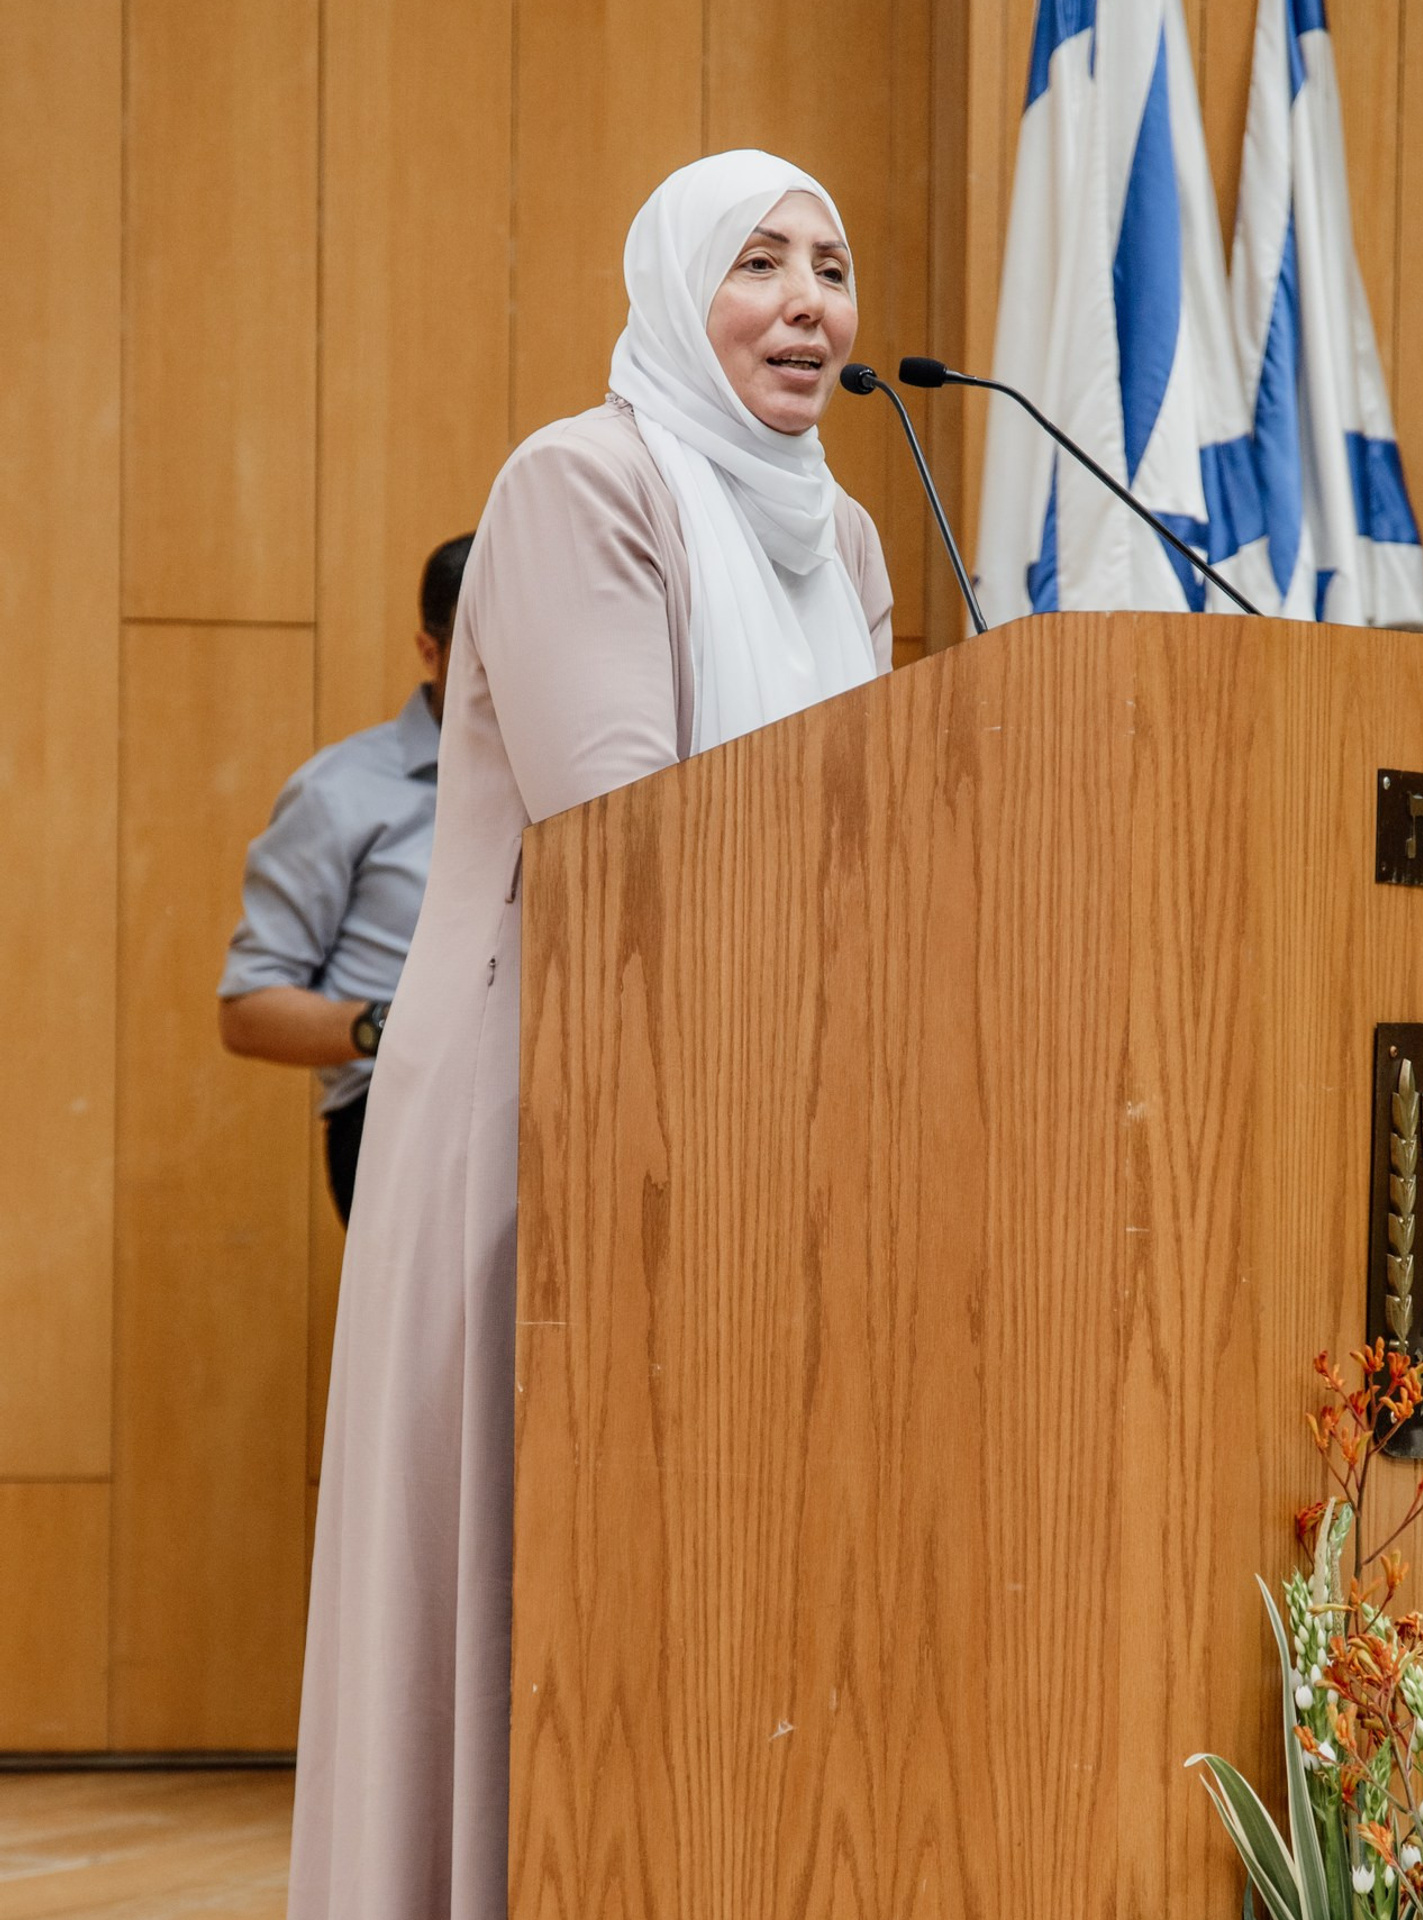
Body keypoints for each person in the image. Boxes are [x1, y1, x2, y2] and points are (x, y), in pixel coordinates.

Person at [287, 151, 891, 1919]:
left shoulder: (845, 529)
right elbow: (627, 835)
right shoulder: (582, 483)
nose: (805, 302)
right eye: (757, 262)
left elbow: (881, 829)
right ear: (673, 292)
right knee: (521, 1578)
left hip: (778, 1120)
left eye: (832, 268)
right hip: (548, 1119)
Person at [218, 535, 474, 1222]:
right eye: (484, 649)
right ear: (430, 650)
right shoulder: (341, 792)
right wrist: (395, 1025)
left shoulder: (567, 779)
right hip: (398, 1117)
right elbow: (248, 1011)